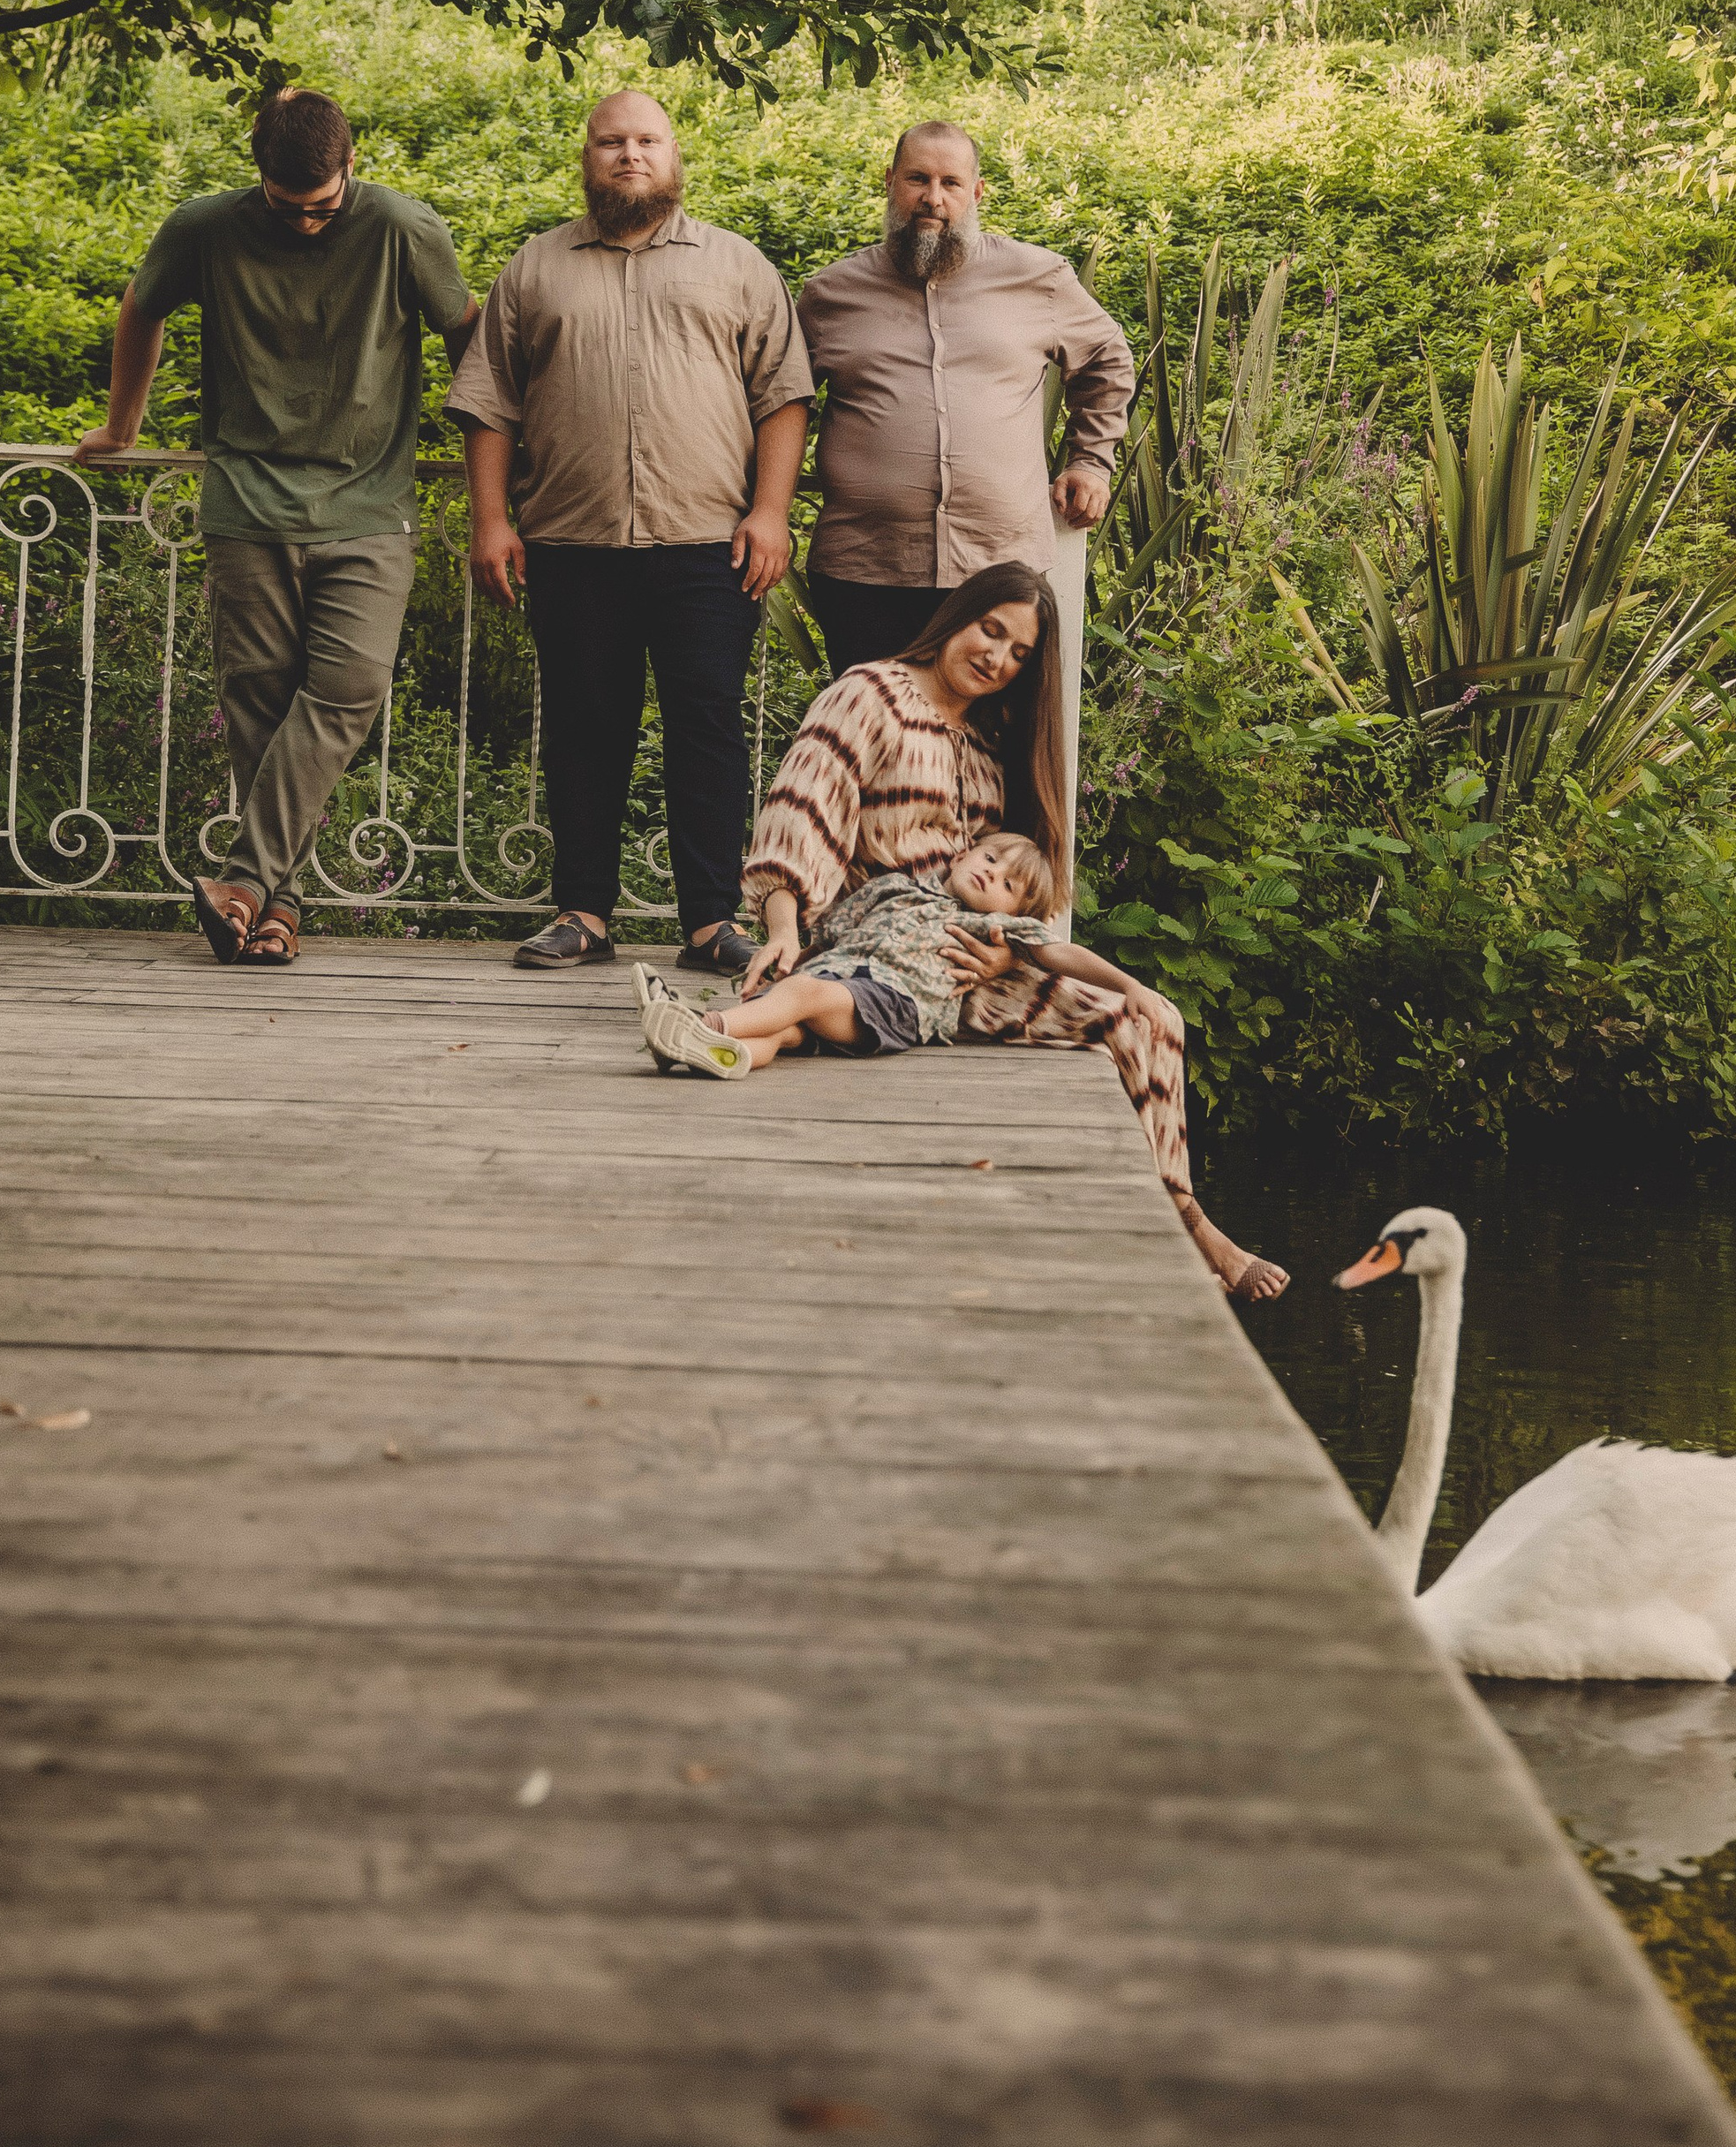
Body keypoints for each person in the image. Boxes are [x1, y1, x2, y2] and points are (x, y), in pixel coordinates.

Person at [733, 560, 1289, 1303]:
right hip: (881, 949)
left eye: (1018, 653)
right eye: (990, 631)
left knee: (1155, 1022)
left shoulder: (992, 739)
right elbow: (804, 807)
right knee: (1129, 1027)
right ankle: (1196, 1234)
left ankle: (1178, 1217)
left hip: (974, 961)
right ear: (957, 617)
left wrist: (1003, 957)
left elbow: (1017, 885)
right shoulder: (871, 695)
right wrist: (780, 926)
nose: (996, 658)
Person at [76, 85, 478, 967]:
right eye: (286, 207)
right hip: (247, 502)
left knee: (350, 687)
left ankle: (246, 881)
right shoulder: (206, 227)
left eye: (321, 207)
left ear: (352, 164)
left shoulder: (404, 228)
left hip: (369, 505)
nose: (304, 223)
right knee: (257, 699)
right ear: (259, 178)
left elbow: (466, 329)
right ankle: (273, 911)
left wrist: (483, 448)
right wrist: (121, 429)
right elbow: (141, 306)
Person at [449, 89, 811, 974]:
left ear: (675, 154)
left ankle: (709, 923)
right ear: (587, 155)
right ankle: (583, 914)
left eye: (647, 140)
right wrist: (492, 521)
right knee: (583, 728)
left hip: (707, 544)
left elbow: (784, 396)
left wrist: (770, 513)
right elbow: (489, 405)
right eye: (611, 141)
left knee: (706, 728)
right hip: (573, 546)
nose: (628, 156)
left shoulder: (736, 265)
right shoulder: (535, 269)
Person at [795, 122, 1136, 674]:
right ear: (889, 183)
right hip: (865, 569)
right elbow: (782, 402)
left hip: (998, 571)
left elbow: (1106, 360)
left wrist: (1092, 460)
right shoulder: (831, 293)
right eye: (917, 179)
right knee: (873, 741)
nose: (933, 198)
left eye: (951, 182)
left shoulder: (1038, 278)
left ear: (976, 192)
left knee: (988, 750)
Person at [631, 826, 1060, 1074]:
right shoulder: (895, 888)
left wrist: (1127, 987)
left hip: (894, 1001)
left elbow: (1061, 954)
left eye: (1009, 885)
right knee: (782, 1029)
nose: (992, 875)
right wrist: (790, 961)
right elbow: (830, 937)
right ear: (963, 853)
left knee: (802, 994)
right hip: (839, 980)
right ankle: (701, 1053)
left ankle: (701, 1023)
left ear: (1018, 912)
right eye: (990, 860)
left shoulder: (993, 926)